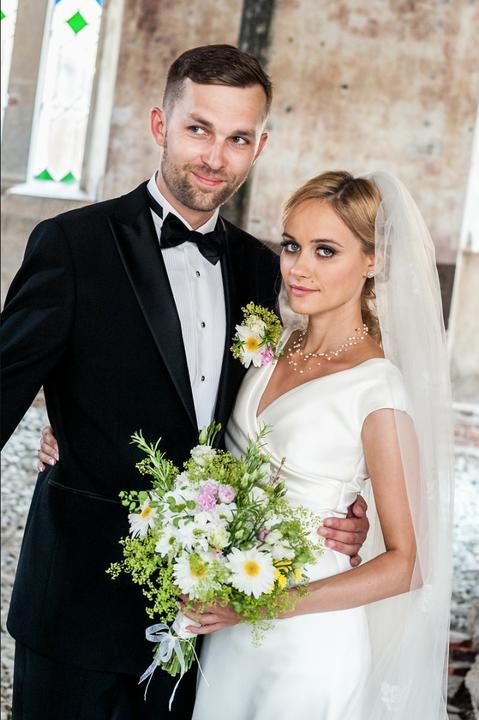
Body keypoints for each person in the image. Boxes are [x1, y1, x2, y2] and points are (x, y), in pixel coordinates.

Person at [1, 46, 369, 719]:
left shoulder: (261, 270)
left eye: (237, 139)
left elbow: (274, 417)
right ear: (160, 125)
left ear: (259, 147)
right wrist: (70, 423)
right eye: (199, 129)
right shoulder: (73, 244)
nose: (214, 157)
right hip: (77, 602)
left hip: (202, 614)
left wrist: (341, 508)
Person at [184, 171, 454, 720]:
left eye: (325, 251)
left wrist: (262, 606)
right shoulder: (274, 343)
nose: (298, 268)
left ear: (373, 260)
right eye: (291, 246)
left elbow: (407, 564)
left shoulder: (378, 389)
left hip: (307, 642)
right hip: (228, 625)